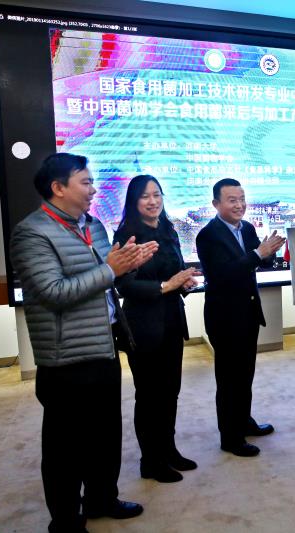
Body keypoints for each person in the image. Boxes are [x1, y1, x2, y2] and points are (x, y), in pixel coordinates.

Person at [10, 153, 157, 532]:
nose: (94, 189)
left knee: (105, 436)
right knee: (65, 449)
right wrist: (110, 269)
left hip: (104, 346)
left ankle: (102, 499)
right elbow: (53, 292)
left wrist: (128, 264)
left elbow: (104, 279)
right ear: (58, 188)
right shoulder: (32, 233)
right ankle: (65, 521)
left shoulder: (93, 225)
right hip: (66, 359)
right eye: (86, 182)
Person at [113, 175, 200, 482]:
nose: (153, 201)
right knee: (149, 395)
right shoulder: (127, 235)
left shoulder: (168, 229)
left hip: (172, 321)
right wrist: (166, 286)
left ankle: (168, 450)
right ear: (134, 201)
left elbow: (173, 273)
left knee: (170, 391)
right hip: (143, 326)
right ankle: (150, 461)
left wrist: (183, 282)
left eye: (157, 194)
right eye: (145, 196)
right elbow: (123, 285)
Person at [195, 178, 286, 457]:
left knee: (245, 374)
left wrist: (269, 253)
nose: (240, 205)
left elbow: (257, 261)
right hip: (224, 319)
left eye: (242, 199)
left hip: (248, 313)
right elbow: (224, 275)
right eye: (232, 200)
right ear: (216, 204)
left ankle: (244, 421)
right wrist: (259, 253)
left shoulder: (246, 228)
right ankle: (230, 437)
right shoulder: (207, 236)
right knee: (229, 380)